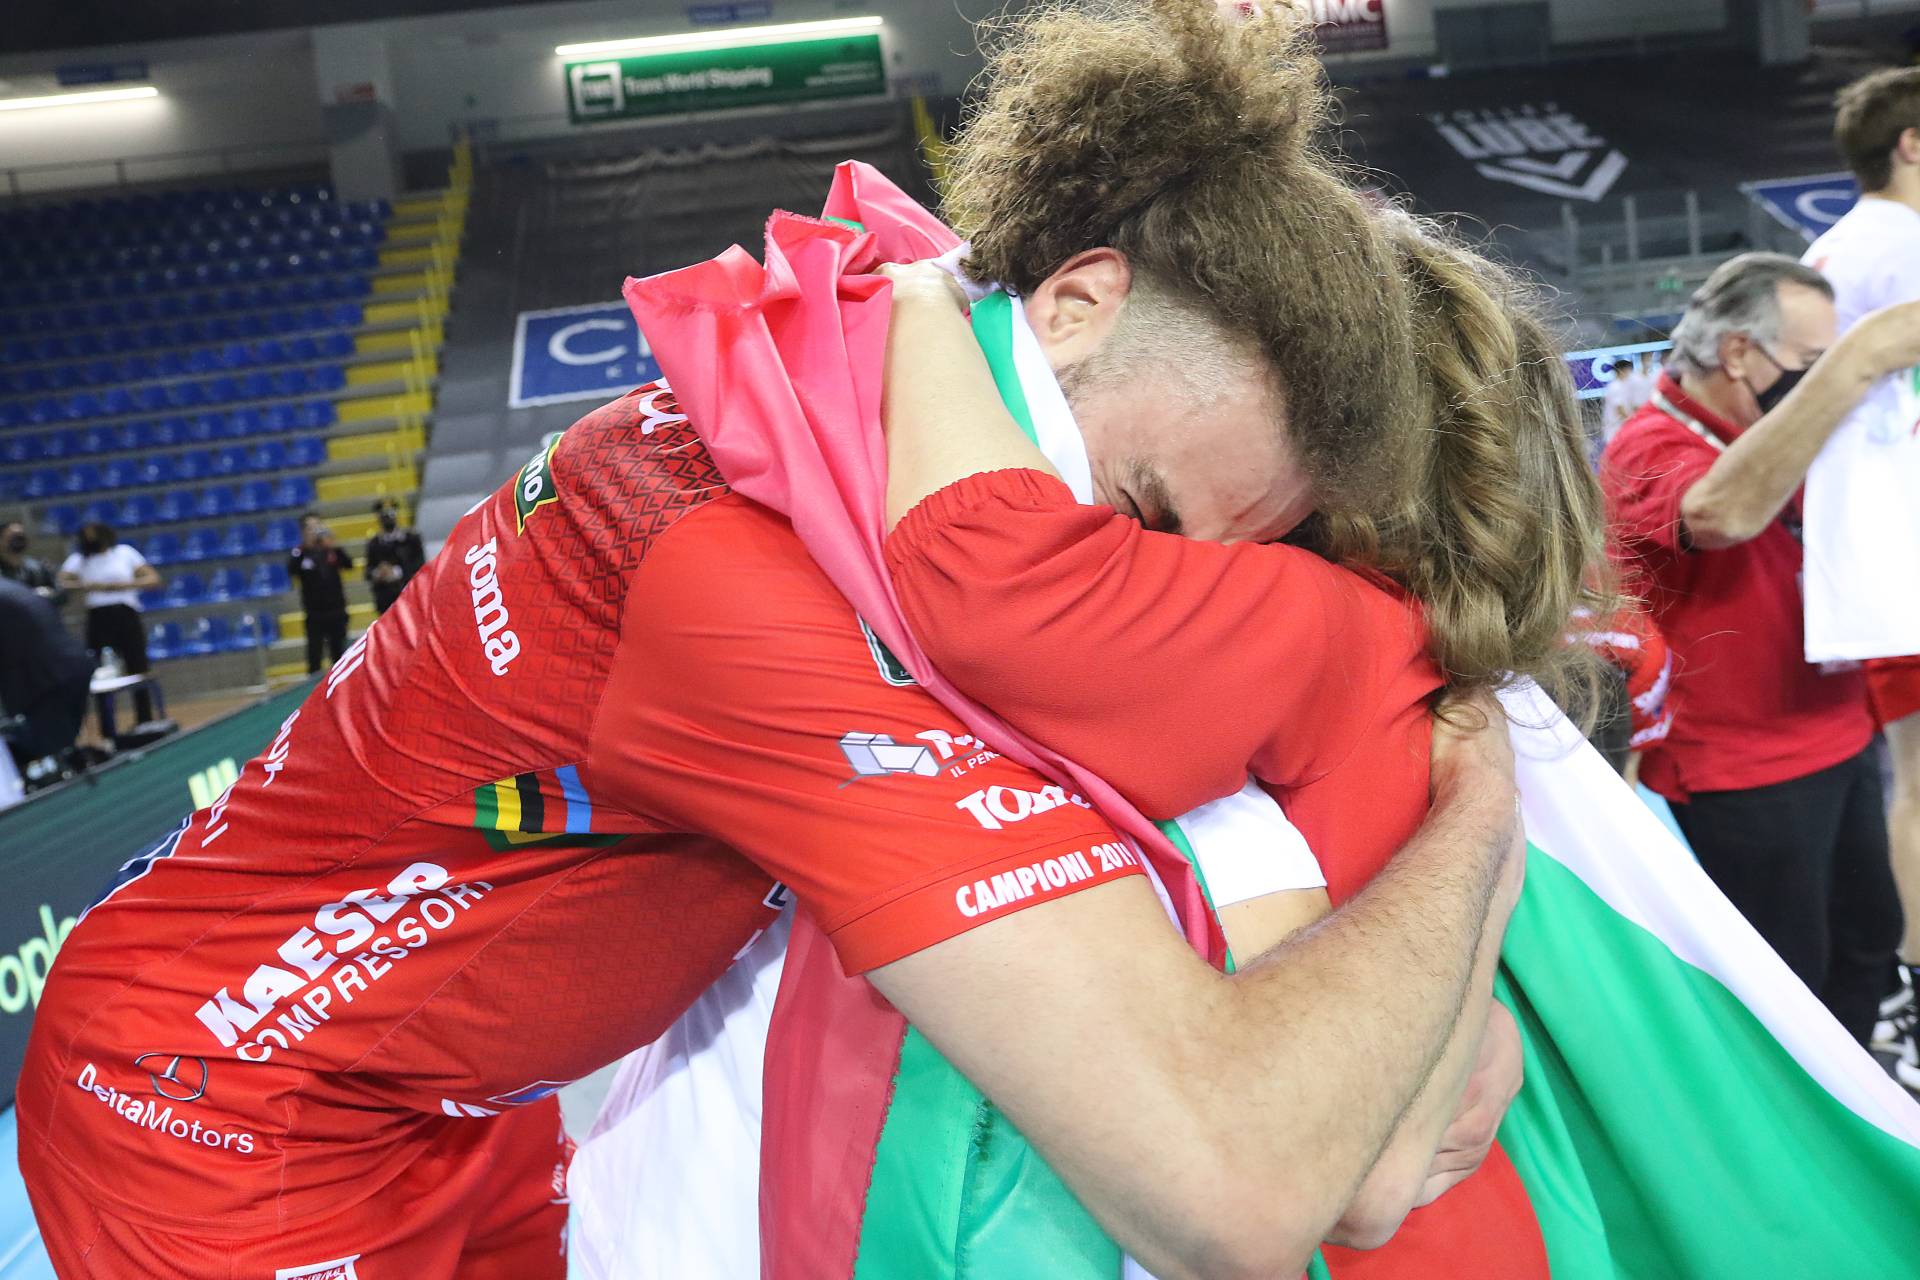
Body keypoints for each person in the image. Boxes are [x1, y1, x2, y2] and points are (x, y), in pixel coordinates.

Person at [17, 7, 1520, 1278]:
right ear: (1074, 304)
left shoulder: (855, 375)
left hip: (453, 1096)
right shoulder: (750, 594)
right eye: (1142, 508)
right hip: (215, 1105)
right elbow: (1236, 1183)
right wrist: (1479, 814)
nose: (1156, 590)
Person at [1601, 252, 1920, 1046]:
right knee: (1788, 984)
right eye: (1812, 360)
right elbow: (1721, 514)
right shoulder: (1648, 444)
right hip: (1745, 773)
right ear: (1739, 353)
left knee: (1869, 941)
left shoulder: (1779, 432)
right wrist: (1856, 362)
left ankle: (1853, 1090)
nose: (1822, 380)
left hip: (1840, 731)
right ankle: (1801, 1112)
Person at [1797, 66, 1920, 1083]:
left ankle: (1904, 997)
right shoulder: (1903, 247)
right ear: (1911, 145)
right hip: (1900, 560)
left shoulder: (1832, 249)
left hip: (1874, 565)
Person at [56, 520, 161, 731]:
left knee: (137, 667)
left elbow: (152, 579)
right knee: (100, 673)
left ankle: (145, 721)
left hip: (126, 613)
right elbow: (60, 582)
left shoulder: (124, 553)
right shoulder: (78, 560)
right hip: (98, 617)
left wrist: (120, 586)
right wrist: (86, 586)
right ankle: (107, 728)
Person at [0, 577, 93, 773]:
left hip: (46, 676)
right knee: (58, 747)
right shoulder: (9, 587)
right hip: (70, 666)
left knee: (46, 752)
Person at [291, 513, 353, 672]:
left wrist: (332, 545)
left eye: (317, 526)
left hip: (336, 610)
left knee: (339, 654)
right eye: (310, 528)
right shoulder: (300, 553)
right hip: (314, 614)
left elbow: (348, 564)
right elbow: (292, 570)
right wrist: (306, 546)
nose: (314, 531)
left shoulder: (331, 550)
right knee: (314, 656)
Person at [365, 498, 426, 615]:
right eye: (384, 516)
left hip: (409, 596)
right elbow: (368, 571)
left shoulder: (411, 539)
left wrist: (397, 572)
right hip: (385, 600)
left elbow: (420, 564)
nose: (387, 519)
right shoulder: (374, 543)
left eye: (390, 515)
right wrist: (379, 573)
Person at [0, 520, 65, 606]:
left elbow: (62, 595)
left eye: (21, 536)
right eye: (13, 536)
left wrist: (46, 596)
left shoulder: (38, 568)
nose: (19, 540)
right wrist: (30, 596)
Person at [1600, 356, 1652, 443]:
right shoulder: (1615, 387)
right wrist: (1636, 421)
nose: (1630, 373)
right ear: (1621, 371)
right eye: (1628, 370)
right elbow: (1620, 410)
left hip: (1621, 430)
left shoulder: (1624, 385)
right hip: (1615, 431)